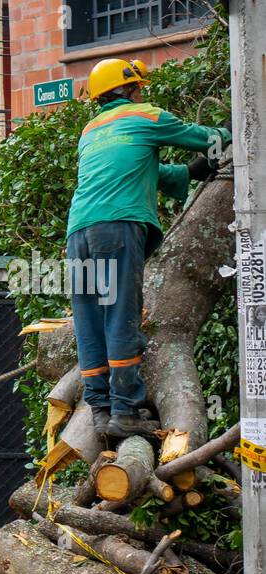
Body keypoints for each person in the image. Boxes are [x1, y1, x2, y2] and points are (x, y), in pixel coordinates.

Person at [66, 57, 231, 440]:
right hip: (118, 226)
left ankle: (101, 413)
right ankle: (126, 410)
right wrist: (232, 129)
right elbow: (208, 138)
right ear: (130, 88)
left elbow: (135, 169)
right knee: (120, 314)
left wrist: (189, 173)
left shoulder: (91, 131)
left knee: (90, 320)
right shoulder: (146, 115)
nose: (142, 91)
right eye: (139, 85)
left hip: (79, 233)